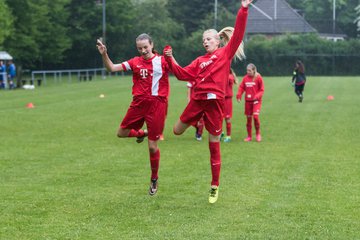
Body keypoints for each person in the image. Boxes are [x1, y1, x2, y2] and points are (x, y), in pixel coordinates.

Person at [164, 0, 251, 203]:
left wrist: (244, 9)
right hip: (197, 102)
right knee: (176, 130)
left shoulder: (225, 53)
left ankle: (214, 186)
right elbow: (181, 74)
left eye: (209, 39)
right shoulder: (199, 61)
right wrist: (170, 58)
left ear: (218, 41)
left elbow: (238, 32)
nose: (205, 41)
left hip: (215, 104)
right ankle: (198, 122)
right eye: (203, 39)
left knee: (214, 145)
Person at [96, 33, 170, 196]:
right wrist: (104, 54)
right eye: (140, 48)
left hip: (156, 105)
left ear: (152, 44)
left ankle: (154, 179)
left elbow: (179, 71)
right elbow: (112, 68)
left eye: (145, 47)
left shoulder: (162, 61)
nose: (143, 51)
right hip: (138, 104)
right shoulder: (134, 62)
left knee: (152, 147)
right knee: (121, 133)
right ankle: (143, 132)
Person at [236, 63, 264, 142]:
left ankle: (258, 134)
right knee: (248, 119)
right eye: (247, 70)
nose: (248, 72)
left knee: (255, 117)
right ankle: (249, 136)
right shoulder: (245, 78)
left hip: (256, 101)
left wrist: (257, 96)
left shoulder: (258, 78)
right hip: (248, 102)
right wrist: (239, 96)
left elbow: (262, 90)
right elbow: (241, 88)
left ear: (254, 70)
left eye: (249, 70)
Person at [221, 69, 238, 143]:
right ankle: (221, 133)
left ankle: (228, 136)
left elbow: (228, 80)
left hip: (228, 100)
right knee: (220, 117)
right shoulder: (224, 76)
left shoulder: (230, 77)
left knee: (227, 118)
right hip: (221, 99)